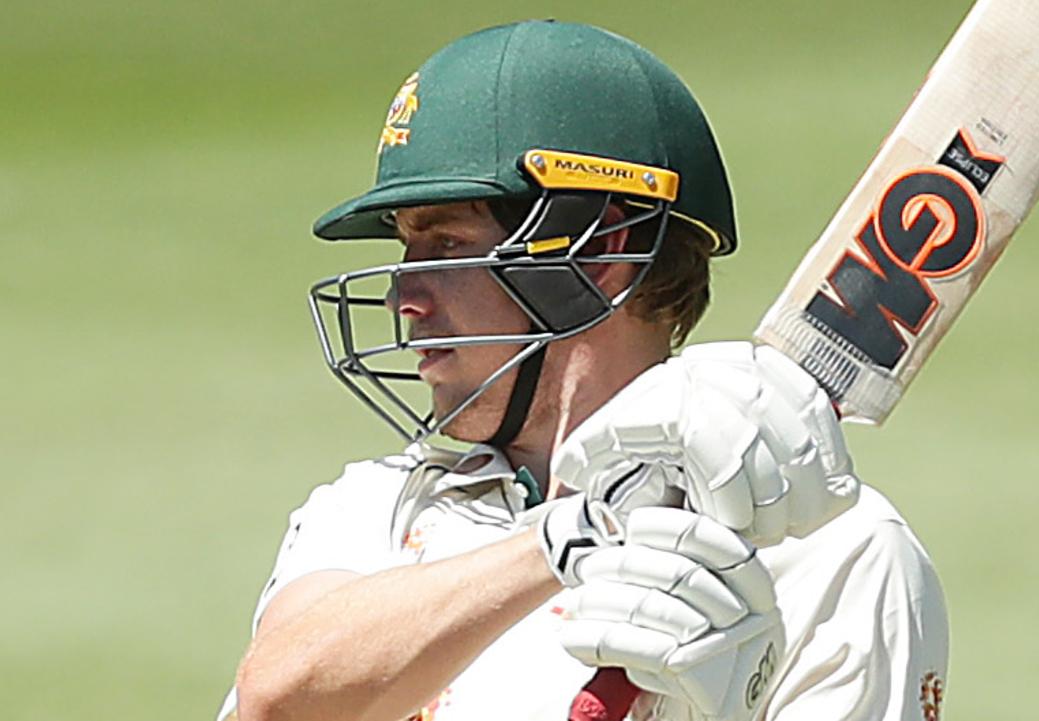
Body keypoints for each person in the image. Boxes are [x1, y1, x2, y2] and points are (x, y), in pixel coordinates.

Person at [219, 20, 947, 721]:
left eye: (445, 244)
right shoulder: (378, 508)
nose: (403, 297)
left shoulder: (834, 555)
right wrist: (577, 534)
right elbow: (279, 698)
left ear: (601, 249)